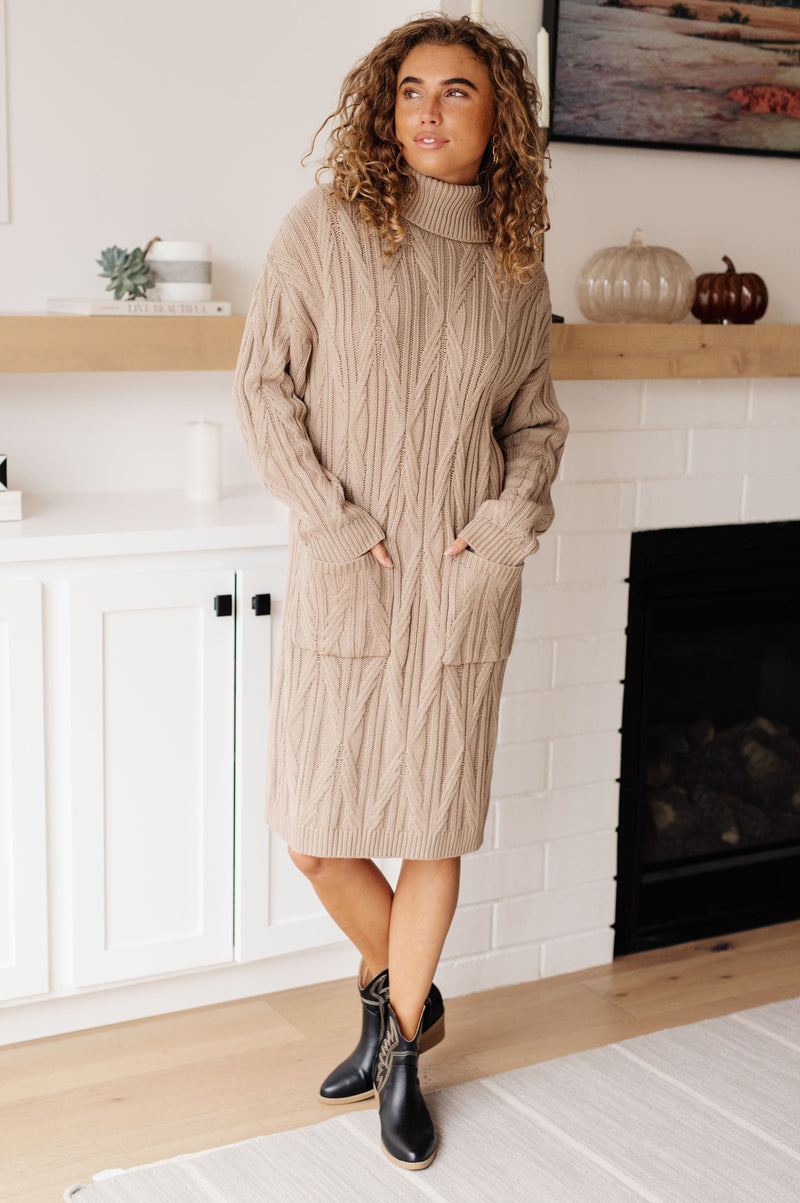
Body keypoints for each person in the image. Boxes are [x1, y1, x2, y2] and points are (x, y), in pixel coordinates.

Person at [233, 13, 568, 1172]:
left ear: (497, 117)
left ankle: (403, 1056)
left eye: (456, 92)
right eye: (410, 90)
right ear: (385, 106)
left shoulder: (514, 262)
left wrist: (502, 529)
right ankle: (406, 999)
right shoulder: (322, 228)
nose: (426, 110)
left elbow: (531, 423)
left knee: (429, 817)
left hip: (464, 579)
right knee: (317, 836)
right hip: (348, 569)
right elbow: (264, 388)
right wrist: (333, 524)